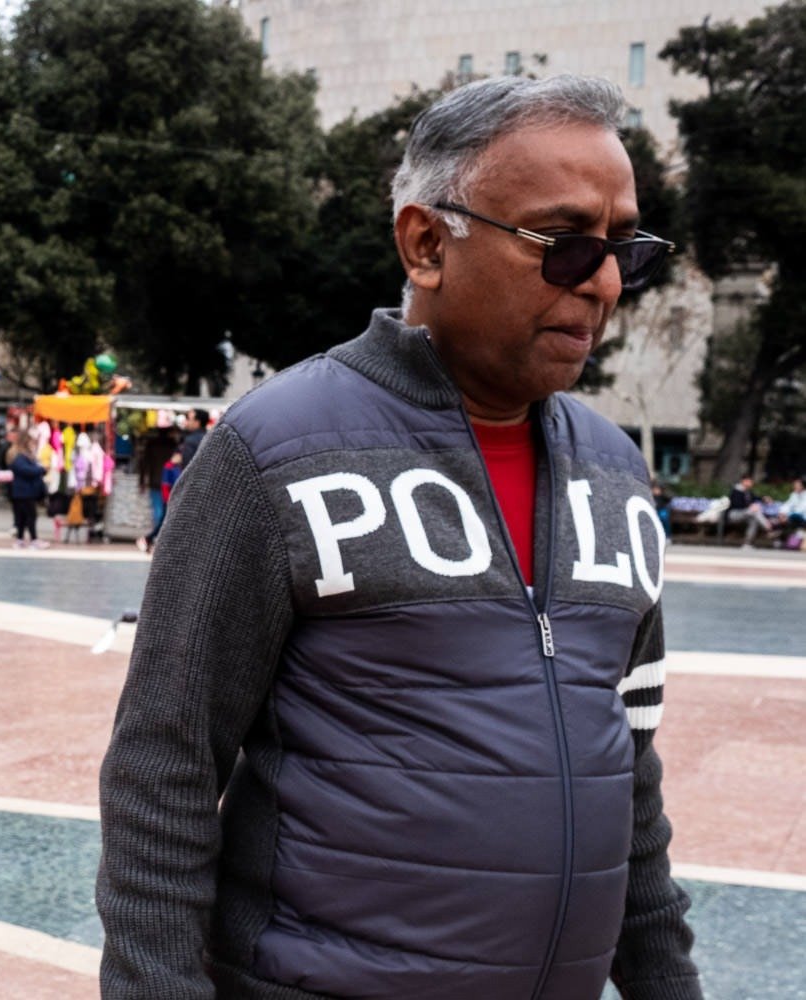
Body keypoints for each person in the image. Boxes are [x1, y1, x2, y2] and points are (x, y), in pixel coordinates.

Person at [97, 76, 698, 1000]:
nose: (608, 281)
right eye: (567, 243)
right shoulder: (273, 452)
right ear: (427, 244)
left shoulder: (615, 471)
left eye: (624, 247)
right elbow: (163, 771)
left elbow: (631, 779)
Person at [134, 429, 177, 554]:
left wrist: (142, 481)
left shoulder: (152, 445)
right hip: (169, 483)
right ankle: (155, 539)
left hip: (157, 482)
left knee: (159, 513)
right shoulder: (172, 445)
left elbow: (144, 464)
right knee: (163, 514)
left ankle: (153, 539)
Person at [9, 432, 50, 549]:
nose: (33, 444)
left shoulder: (24, 456)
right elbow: (26, 470)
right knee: (31, 516)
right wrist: (41, 469)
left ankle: (20, 539)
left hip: (23, 492)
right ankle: (33, 540)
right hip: (24, 492)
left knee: (23, 517)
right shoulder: (20, 457)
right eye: (32, 442)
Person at [726, 474, 773, 548]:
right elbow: (736, 505)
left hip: (746, 514)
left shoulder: (748, 492)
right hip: (734, 514)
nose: (751, 483)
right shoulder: (736, 491)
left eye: (751, 482)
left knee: (753, 520)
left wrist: (764, 499)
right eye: (749, 481)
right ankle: (768, 528)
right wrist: (749, 507)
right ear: (743, 481)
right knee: (754, 510)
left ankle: (747, 543)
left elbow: (756, 498)